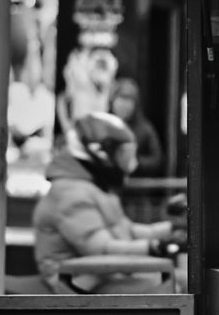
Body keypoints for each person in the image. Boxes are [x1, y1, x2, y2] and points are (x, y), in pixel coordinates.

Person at [32, 111, 185, 293]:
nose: (131, 164)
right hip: (78, 284)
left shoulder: (93, 187)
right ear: (100, 152)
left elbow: (125, 230)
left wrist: (172, 229)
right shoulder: (71, 193)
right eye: (123, 154)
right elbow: (101, 248)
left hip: (98, 276)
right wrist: (156, 247)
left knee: (182, 280)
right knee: (174, 287)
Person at [109, 77, 165, 177]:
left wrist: (137, 162)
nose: (124, 105)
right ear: (113, 101)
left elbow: (157, 160)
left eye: (129, 100)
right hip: (107, 186)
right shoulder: (104, 123)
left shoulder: (145, 128)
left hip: (135, 186)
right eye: (121, 99)